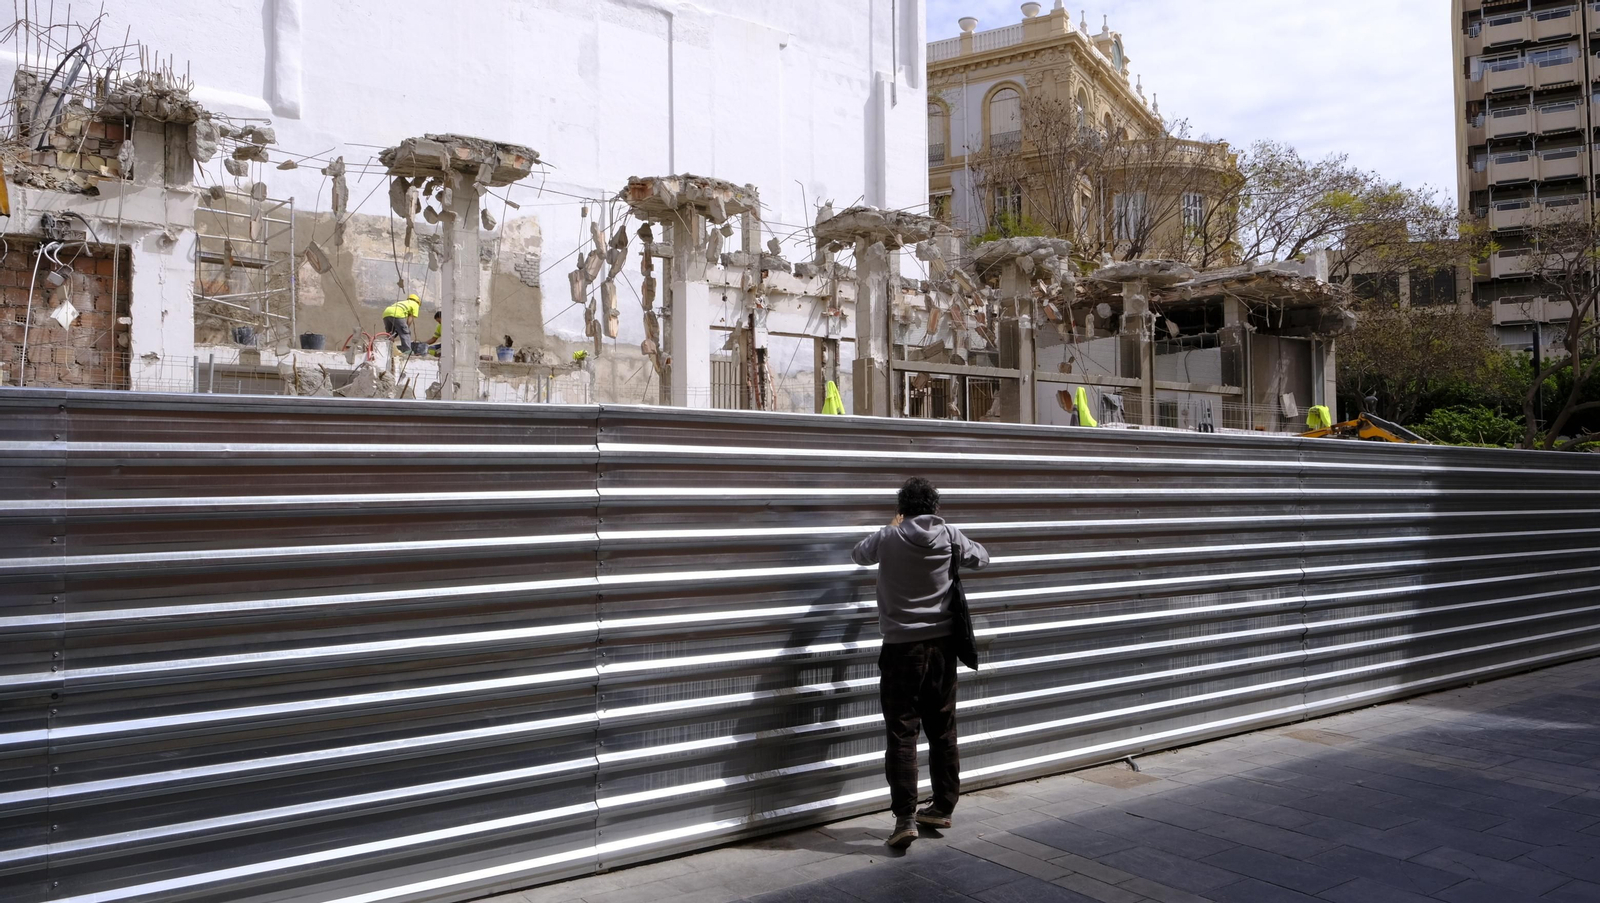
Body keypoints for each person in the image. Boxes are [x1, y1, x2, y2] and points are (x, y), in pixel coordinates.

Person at [851, 476, 989, 849]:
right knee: (942, 730)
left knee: (902, 733)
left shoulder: (888, 536)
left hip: (901, 651)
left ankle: (905, 818)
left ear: (902, 508)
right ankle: (943, 805)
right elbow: (982, 557)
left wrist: (892, 526)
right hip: (943, 649)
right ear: (934, 507)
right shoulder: (949, 535)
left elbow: (858, 554)